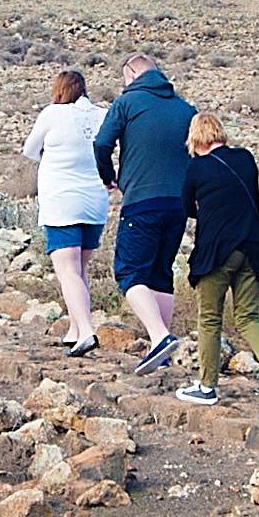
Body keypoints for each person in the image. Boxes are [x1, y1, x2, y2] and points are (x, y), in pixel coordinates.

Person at [93, 55, 198, 377]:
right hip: (177, 204)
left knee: (129, 272)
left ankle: (160, 336)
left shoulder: (127, 102)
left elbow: (101, 143)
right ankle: (160, 351)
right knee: (160, 272)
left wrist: (108, 177)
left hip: (141, 200)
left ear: (131, 75)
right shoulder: (186, 108)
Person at [173, 112, 259, 404]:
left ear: (194, 137)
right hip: (253, 247)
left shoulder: (196, 168)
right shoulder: (245, 159)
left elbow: (188, 207)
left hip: (217, 251)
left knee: (210, 318)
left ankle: (207, 386)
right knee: (248, 315)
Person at [21, 68, 109, 354]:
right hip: (95, 200)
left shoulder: (52, 114)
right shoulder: (100, 115)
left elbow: (30, 149)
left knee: (66, 269)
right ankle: (75, 328)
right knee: (80, 268)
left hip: (62, 201)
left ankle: (86, 330)